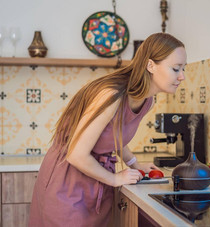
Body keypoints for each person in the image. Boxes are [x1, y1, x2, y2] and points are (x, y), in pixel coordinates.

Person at [28, 32, 187, 226]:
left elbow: (114, 136)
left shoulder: (147, 100)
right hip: (67, 181)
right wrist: (113, 179)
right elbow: (76, 155)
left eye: (183, 69)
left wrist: (134, 164)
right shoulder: (110, 95)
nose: (182, 76)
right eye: (176, 68)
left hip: (97, 178)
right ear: (150, 65)